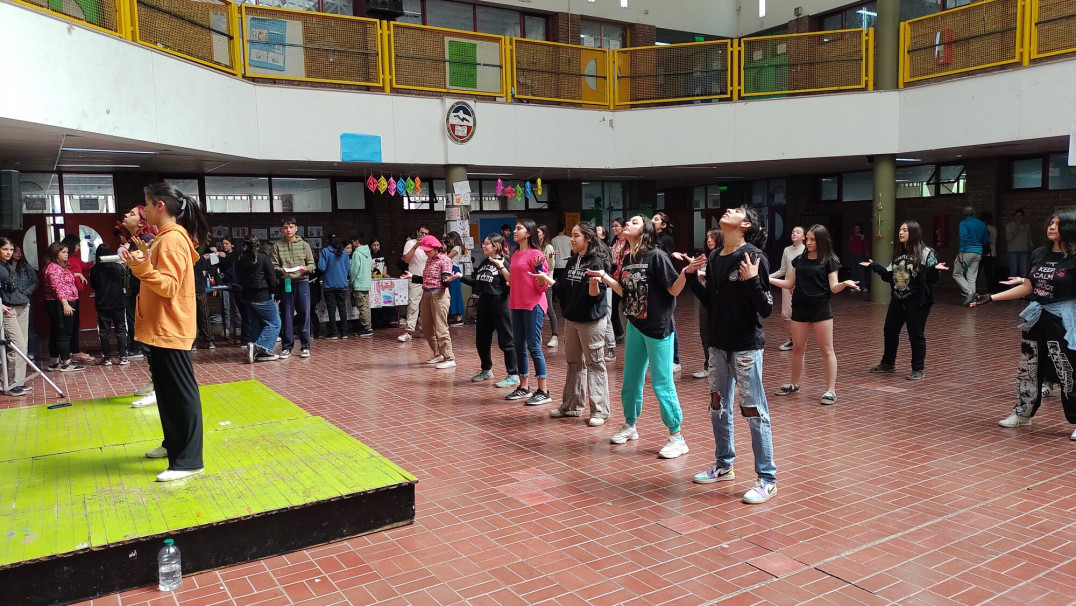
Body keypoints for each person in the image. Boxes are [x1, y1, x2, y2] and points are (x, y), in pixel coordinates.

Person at [118, 182, 210, 482]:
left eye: (145, 204)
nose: (142, 210)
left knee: (180, 393)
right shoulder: (165, 238)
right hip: (162, 327)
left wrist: (142, 267)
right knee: (168, 393)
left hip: (169, 327)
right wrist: (141, 259)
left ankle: (189, 460)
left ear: (160, 206)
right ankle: (174, 445)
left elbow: (169, 285)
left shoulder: (171, 240)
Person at [686, 206, 779, 504]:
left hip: (746, 346)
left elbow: (766, 308)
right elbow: (710, 302)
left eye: (736, 210)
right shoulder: (714, 257)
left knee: (753, 409)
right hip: (718, 344)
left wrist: (752, 279)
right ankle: (724, 464)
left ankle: (767, 478)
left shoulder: (754, 257)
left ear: (745, 224)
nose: (728, 210)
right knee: (717, 406)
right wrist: (690, 277)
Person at [588, 215, 698, 459]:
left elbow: (674, 290)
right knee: (631, 382)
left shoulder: (657, 256)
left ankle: (677, 437)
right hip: (635, 326)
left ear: (646, 230)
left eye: (635, 222)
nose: (628, 223)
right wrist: (604, 277)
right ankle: (630, 425)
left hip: (658, 328)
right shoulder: (629, 258)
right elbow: (624, 291)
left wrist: (686, 273)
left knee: (662, 384)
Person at [973, 210, 1076, 440]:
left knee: (1067, 371)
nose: (1051, 227)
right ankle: (1023, 413)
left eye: (1058, 225)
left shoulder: (1074, 258)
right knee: (1029, 368)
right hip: (1036, 318)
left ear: (1069, 228)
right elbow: (1028, 287)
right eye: (1051, 223)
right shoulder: (1040, 254)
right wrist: (992, 297)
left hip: (1063, 321)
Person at [769, 224, 859, 405]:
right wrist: (765, 278)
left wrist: (845, 283)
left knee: (827, 349)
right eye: (807, 239)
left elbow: (833, 288)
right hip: (800, 308)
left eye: (812, 239)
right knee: (797, 349)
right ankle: (794, 384)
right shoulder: (800, 259)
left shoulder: (829, 260)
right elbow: (788, 284)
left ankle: (831, 390)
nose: (808, 243)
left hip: (820, 309)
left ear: (821, 240)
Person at [862, 220, 948, 381]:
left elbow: (933, 277)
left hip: (918, 301)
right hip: (898, 299)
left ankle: (918, 369)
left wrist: (933, 270)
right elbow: (889, 276)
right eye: (900, 230)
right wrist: (875, 266)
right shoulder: (898, 254)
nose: (901, 233)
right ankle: (888, 363)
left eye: (905, 230)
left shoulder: (926, 253)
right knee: (890, 330)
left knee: (915, 334)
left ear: (913, 233)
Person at [549, 221, 611, 427]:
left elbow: (595, 296)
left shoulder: (596, 262)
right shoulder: (573, 260)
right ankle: (571, 406)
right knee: (574, 363)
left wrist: (594, 286)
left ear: (588, 239)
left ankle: (600, 411)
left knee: (595, 364)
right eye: (571, 235)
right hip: (572, 319)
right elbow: (564, 289)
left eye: (576, 236)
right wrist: (545, 279)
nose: (571, 239)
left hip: (591, 320)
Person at [499, 220, 554, 405]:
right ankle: (523, 387)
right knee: (518, 346)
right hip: (517, 304)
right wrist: (501, 266)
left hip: (533, 305)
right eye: (515, 228)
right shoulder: (516, 254)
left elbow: (542, 287)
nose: (514, 231)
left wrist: (539, 271)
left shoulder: (537, 254)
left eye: (519, 228)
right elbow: (513, 280)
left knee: (533, 346)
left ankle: (543, 391)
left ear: (528, 233)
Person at [460, 234, 518, 388]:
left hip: (500, 304)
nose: (483, 246)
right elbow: (477, 283)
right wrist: (460, 277)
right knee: (481, 341)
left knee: (506, 341)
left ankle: (513, 374)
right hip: (484, 302)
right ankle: (486, 370)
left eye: (486, 244)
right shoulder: (485, 262)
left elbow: (511, 285)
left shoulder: (505, 263)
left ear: (496, 246)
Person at [413, 235, 460, 369]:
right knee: (426, 327)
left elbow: (445, 277)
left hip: (439, 294)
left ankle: (449, 357)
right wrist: (413, 278)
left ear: (436, 248)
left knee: (440, 327)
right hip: (426, 293)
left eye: (428, 249)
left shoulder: (445, 260)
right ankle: (438, 353)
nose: (426, 252)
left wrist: (448, 279)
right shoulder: (429, 260)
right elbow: (427, 278)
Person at [270, 216, 315, 358]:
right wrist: (280, 271)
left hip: (302, 283)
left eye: (291, 227)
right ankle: (287, 347)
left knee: (304, 314)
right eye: (285, 227)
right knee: (286, 316)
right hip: (286, 283)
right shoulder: (277, 246)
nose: (288, 230)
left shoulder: (304, 245)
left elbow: (312, 265)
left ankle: (305, 346)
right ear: (281, 230)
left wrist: (306, 269)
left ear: (296, 228)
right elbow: (274, 266)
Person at [118, 205, 158, 355]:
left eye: (132, 213)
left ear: (141, 222)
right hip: (135, 292)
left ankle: (139, 348)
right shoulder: (136, 241)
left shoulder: (146, 239)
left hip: (143, 293)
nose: (126, 214)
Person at [236, 235, 281, 363]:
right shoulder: (263, 258)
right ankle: (259, 347)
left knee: (256, 323)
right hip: (262, 296)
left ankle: (259, 353)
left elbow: (237, 278)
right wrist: (277, 293)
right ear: (258, 244)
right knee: (275, 323)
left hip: (246, 296)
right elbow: (272, 279)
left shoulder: (241, 259)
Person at [42, 241, 84, 373]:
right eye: (63, 252)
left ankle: (54, 362)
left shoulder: (60, 266)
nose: (67, 254)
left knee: (57, 332)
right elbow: (57, 287)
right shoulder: (53, 268)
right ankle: (66, 362)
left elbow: (65, 279)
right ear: (56, 253)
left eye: (67, 252)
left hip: (64, 301)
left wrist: (77, 274)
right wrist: (65, 304)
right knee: (63, 332)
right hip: (60, 303)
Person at [0, 237, 32, 396]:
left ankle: (18, 382)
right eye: (5, 249)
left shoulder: (8, 265)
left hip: (21, 304)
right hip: (8, 309)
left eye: (11, 250)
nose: (9, 252)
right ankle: (12, 384)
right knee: (17, 345)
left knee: (22, 346)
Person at [89, 243, 130, 366]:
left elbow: (93, 286)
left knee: (104, 331)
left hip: (102, 303)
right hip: (118, 302)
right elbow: (124, 283)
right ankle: (123, 357)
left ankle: (106, 358)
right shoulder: (119, 267)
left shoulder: (94, 269)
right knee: (121, 329)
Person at [651, 211, 681, 373]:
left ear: (663, 225)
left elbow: (666, 258)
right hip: (653, 285)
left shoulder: (666, 239)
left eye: (656, 219)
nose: (652, 221)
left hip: (663, 283)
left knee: (669, 322)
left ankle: (675, 360)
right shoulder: (651, 239)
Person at [691, 228, 723, 379]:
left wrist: (704, 275)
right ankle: (708, 365)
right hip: (705, 299)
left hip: (720, 302)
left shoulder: (724, 256)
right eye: (707, 238)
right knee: (705, 333)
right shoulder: (706, 257)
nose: (709, 240)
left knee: (719, 333)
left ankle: (721, 367)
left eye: (712, 237)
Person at [769, 226, 805, 352]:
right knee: (786, 314)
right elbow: (782, 270)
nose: (794, 233)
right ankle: (792, 339)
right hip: (786, 284)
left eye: (798, 232)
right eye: (793, 231)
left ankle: (799, 340)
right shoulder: (787, 250)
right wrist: (767, 277)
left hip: (800, 286)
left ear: (803, 237)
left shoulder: (806, 250)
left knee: (799, 314)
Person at [59, 234, 92, 363]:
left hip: (76, 294)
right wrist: (76, 274)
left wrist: (97, 261)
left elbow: (84, 266)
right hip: (68, 296)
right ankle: (71, 353)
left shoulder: (74, 258)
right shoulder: (66, 260)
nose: (78, 247)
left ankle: (75, 350)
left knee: (75, 323)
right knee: (70, 325)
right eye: (77, 245)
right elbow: (61, 275)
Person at [398, 225, 430, 342]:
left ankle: (425, 329)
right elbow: (406, 259)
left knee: (426, 307)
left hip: (427, 279)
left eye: (426, 234)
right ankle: (409, 330)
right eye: (422, 233)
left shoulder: (429, 244)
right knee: (413, 305)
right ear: (417, 232)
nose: (423, 235)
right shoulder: (410, 243)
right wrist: (416, 246)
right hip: (414, 278)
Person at [953, 206, 990, 306]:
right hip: (978, 252)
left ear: (964, 214)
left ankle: (970, 293)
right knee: (971, 276)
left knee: (957, 273)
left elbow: (963, 238)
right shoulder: (982, 224)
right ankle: (973, 301)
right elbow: (986, 240)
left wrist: (961, 252)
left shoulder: (964, 223)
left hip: (966, 251)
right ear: (974, 213)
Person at [318, 235, 351, 340]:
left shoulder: (325, 252)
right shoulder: (345, 252)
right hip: (342, 284)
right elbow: (348, 268)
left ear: (328, 242)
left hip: (329, 284)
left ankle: (334, 332)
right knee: (342, 308)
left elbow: (321, 267)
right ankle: (344, 332)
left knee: (331, 309)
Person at [10, 245, 39, 361]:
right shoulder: (5, 267)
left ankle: (30, 352)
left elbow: (35, 282)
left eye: (19, 252)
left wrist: (26, 292)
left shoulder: (26, 266)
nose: (18, 254)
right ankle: (16, 353)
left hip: (25, 298)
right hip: (11, 300)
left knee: (29, 326)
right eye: (15, 251)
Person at [538, 224, 560, 347]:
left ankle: (555, 336)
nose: (537, 234)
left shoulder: (549, 247)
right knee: (538, 309)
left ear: (544, 234)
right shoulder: (535, 247)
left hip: (547, 282)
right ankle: (538, 335)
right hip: (536, 282)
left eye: (539, 232)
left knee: (549, 308)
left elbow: (551, 267)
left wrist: (549, 258)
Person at [349, 232, 373, 337]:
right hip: (367, 282)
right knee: (366, 306)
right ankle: (367, 326)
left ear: (357, 242)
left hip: (359, 283)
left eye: (353, 242)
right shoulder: (368, 252)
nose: (352, 244)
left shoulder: (356, 253)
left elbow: (354, 270)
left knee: (362, 306)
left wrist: (352, 281)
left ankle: (367, 328)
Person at [192, 245, 215, 350]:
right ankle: (209, 340)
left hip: (189, 289)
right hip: (200, 288)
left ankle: (192, 342)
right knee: (204, 315)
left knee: (191, 317)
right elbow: (205, 270)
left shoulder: (184, 255)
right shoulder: (199, 256)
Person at [609, 217, 627, 345]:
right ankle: (619, 333)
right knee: (612, 307)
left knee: (627, 307)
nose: (614, 228)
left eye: (616, 226)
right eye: (613, 226)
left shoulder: (627, 241)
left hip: (625, 278)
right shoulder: (614, 241)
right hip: (614, 278)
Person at [445, 231, 467, 326]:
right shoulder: (455, 247)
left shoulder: (457, 248)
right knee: (452, 293)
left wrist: (444, 248)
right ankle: (455, 315)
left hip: (454, 269)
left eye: (449, 239)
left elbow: (446, 257)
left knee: (455, 293)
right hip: (452, 269)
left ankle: (459, 317)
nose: (448, 241)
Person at [1005, 208, 1033, 278]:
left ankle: (1023, 288)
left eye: (1021, 216)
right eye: (1017, 216)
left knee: (1024, 272)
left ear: (1023, 217)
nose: (1018, 217)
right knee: (1013, 272)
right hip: (1012, 251)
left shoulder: (1027, 226)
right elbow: (1008, 239)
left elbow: (1029, 238)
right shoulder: (1009, 226)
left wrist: (1032, 249)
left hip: (1024, 251)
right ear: (1014, 217)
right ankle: (1013, 288)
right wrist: (1016, 228)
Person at [847, 223, 870, 293]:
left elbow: (866, 246)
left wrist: (866, 254)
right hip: (853, 255)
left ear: (860, 229)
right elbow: (849, 247)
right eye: (855, 228)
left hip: (860, 255)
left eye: (858, 228)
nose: (856, 230)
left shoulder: (862, 237)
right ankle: (855, 286)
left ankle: (862, 286)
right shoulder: (851, 237)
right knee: (853, 271)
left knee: (860, 271)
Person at [980, 211, 998, 292]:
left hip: (981, 253)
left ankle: (971, 291)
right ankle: (991, 291)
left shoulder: (981, 228)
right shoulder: (993, 228)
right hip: (991, 253)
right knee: (989, 274)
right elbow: (994, 240)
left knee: (975, 273)